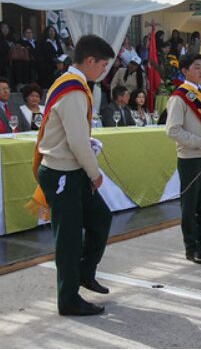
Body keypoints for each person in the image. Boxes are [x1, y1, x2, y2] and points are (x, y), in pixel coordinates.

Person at [34, 34, 115, 316]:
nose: (103, 71)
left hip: (70, 168)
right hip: (63, 172)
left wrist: (86, 149)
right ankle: (68, 299)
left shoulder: (72, 84)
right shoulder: (73, 89)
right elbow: (77, 141)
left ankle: (84, 271)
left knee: (101, 218)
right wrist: (94, 172)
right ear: (89, 60)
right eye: (103, 66)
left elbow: (73, 133)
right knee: (68, 239)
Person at [166, 53, 201, 264]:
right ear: (185, 71)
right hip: (190, 158)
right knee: (190, 204)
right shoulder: (179, 97)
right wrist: (200, 142)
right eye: (196, 67)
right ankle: (191, 247)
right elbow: (172, 130)